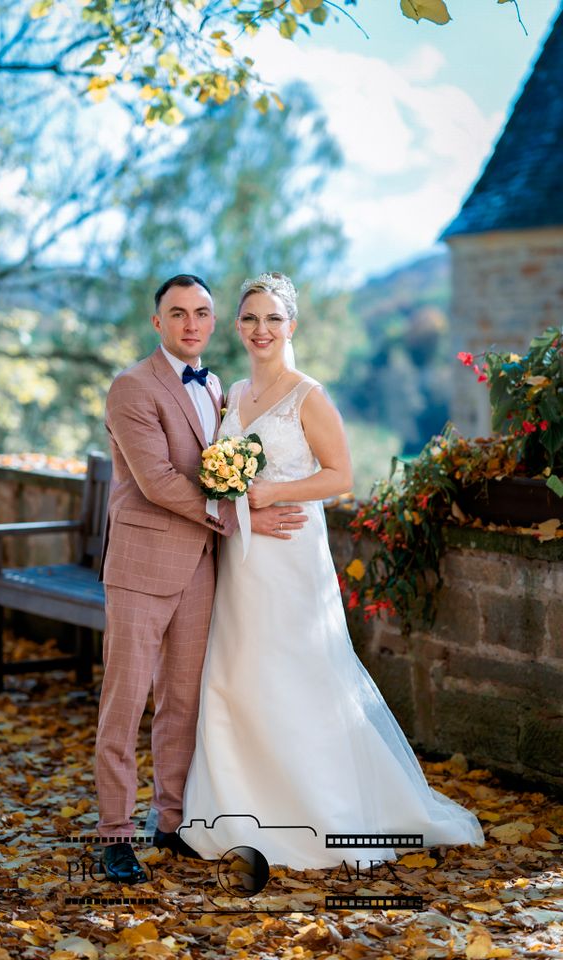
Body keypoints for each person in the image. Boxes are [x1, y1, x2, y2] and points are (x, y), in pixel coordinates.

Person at [180, 272, 485, 870]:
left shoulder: (308, 395)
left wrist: (268, 493)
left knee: (297, 670)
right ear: (237, 327)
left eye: (272, 319)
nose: (260, 329)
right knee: (239, 669)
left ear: (290, 325)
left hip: (291, 556)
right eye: (249, 319)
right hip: (240, 559)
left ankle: (320, 809)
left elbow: (340, 476)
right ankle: (238, 805)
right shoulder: (233, 394)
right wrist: (234, 494)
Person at [94, 274, 310, 884]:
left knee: (183, 702)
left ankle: (170, 823)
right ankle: (114, 836)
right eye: (178, 312)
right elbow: (159, 481)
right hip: (141, 568)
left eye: (203, 313)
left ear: (213, 323)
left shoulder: (217, 387)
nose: (191, 323)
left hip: (200, 569)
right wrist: (242, 516)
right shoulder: (131, 387)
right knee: (125, 702)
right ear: (157, 322)